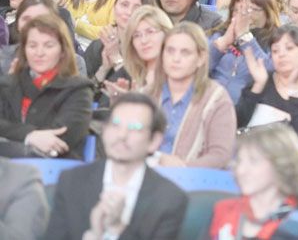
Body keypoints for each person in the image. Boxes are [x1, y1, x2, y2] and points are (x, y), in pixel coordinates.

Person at [44, 93, 188, 240]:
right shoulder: (72, 181)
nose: (122, 135)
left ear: (154, 141)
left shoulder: (170, 199)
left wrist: (116, 230)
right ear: (104, 131)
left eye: (135, 127)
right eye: (115, 125)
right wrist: (94, 235)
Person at [0, 13, 91, 158]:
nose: (39, 53)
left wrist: (11, 135)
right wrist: (30, 135)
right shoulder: (7, 84)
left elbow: (62, 138)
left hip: (55, 170)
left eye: (48, 45)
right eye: (32, 45)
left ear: (62, 51)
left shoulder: (78, 89)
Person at [147, 21, 236, 168]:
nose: (176, 59)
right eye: (170, 51)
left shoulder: (217, 99)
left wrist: (183, 167)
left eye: (185, 52)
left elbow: (220, 156)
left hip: (192, 184)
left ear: (200, 58)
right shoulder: (147, 94)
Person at [208, 123, 298, 239]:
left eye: (253, 161)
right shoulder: (223, 210)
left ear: (280, 164)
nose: (241, 170)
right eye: (239, 161)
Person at [236, 24, 298, 143]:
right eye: (275, 50)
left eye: (289, 48)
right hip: (245, 151)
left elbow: (297, 133)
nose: (281, 54)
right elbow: (236, 123)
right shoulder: (262, 80)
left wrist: (292, 89)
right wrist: (257, 87)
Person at [209, 0, 279, 104]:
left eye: (252, 10)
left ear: (267, 13)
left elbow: (272, 75)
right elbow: (194, 70)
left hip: (250, 111)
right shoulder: (219, 35)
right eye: (238, 10)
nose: (244, 16)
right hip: (209, 106)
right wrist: (222, 44)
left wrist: (245, 38)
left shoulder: (276, 41)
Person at [83, 0, 154, 98]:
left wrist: (117, 59)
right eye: (124, 5)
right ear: (114, 6)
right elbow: (82, 98)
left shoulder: (150, 48)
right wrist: (104, 69)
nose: (129, 12)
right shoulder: (99, 46)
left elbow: (142, 94)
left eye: (137, 8)